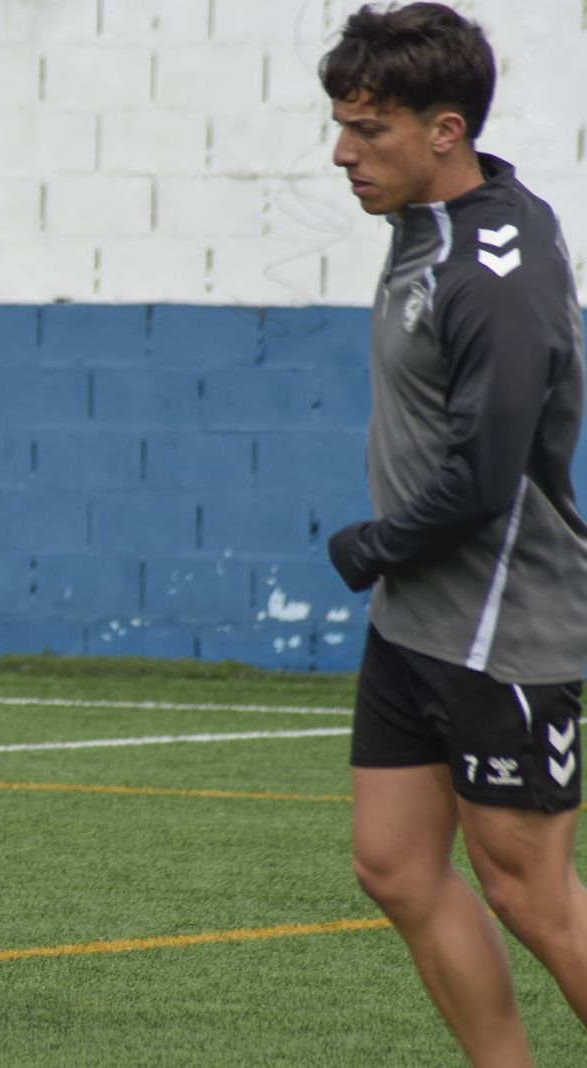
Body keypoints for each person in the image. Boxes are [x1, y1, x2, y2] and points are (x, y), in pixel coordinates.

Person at [320, 4, 587, 1064]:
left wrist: (369, 547)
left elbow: (485, 480)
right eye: (340, 125)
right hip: (418, 617)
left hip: (505, 623)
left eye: (369, 130)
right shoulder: (431, 224)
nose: (344, 152)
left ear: (443, 131)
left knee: (530, 893)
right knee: (391, 864)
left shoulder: (495, 273)